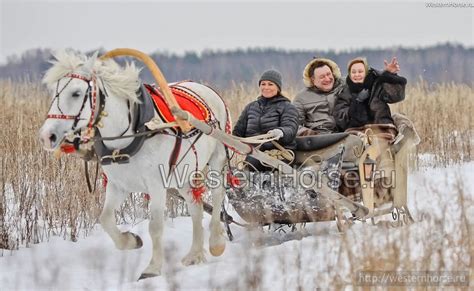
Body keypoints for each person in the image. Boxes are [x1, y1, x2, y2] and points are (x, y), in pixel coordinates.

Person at [232, 69, 299, 171]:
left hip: (279, 154)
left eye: (270, 84)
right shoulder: (251, 107)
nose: (266, 87)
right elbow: (237, 133)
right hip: (254, 154)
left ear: (278, 87)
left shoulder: (288, 107)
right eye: (263, 84)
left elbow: (291, 129)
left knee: (253, 165)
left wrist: (280, 132)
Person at [333, 57, 407, 131]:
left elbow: (396, 96)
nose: (357, 75)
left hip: (383, 127)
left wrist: (390, 76)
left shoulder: (376, 85)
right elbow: (341, 118)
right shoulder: (345, 92)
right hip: (357, 131)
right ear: (349, 74)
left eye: (360, 71)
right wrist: (358, 102)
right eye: (354, 72)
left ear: (366, 72)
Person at [293, 58, 345, 135]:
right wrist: (308, 133)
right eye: (322, 77)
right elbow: (293, 124)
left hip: (346, 133)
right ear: (313, 80)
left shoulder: (345, 86)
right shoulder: (301, 98)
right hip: (319, 137)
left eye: (328, 74)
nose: (327, 79)